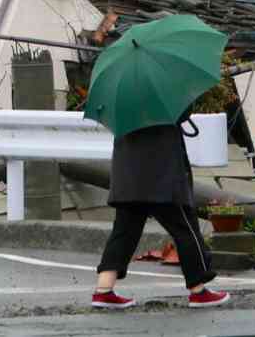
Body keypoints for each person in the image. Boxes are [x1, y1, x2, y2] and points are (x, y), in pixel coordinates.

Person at [91, 112, 230, 309]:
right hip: (161, 177)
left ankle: (103, 291)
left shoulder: (121, 100)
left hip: (128, 176)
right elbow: (182, 110)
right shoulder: (161, 96)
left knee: (124, 232)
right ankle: (199, 290)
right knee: (185, 229)